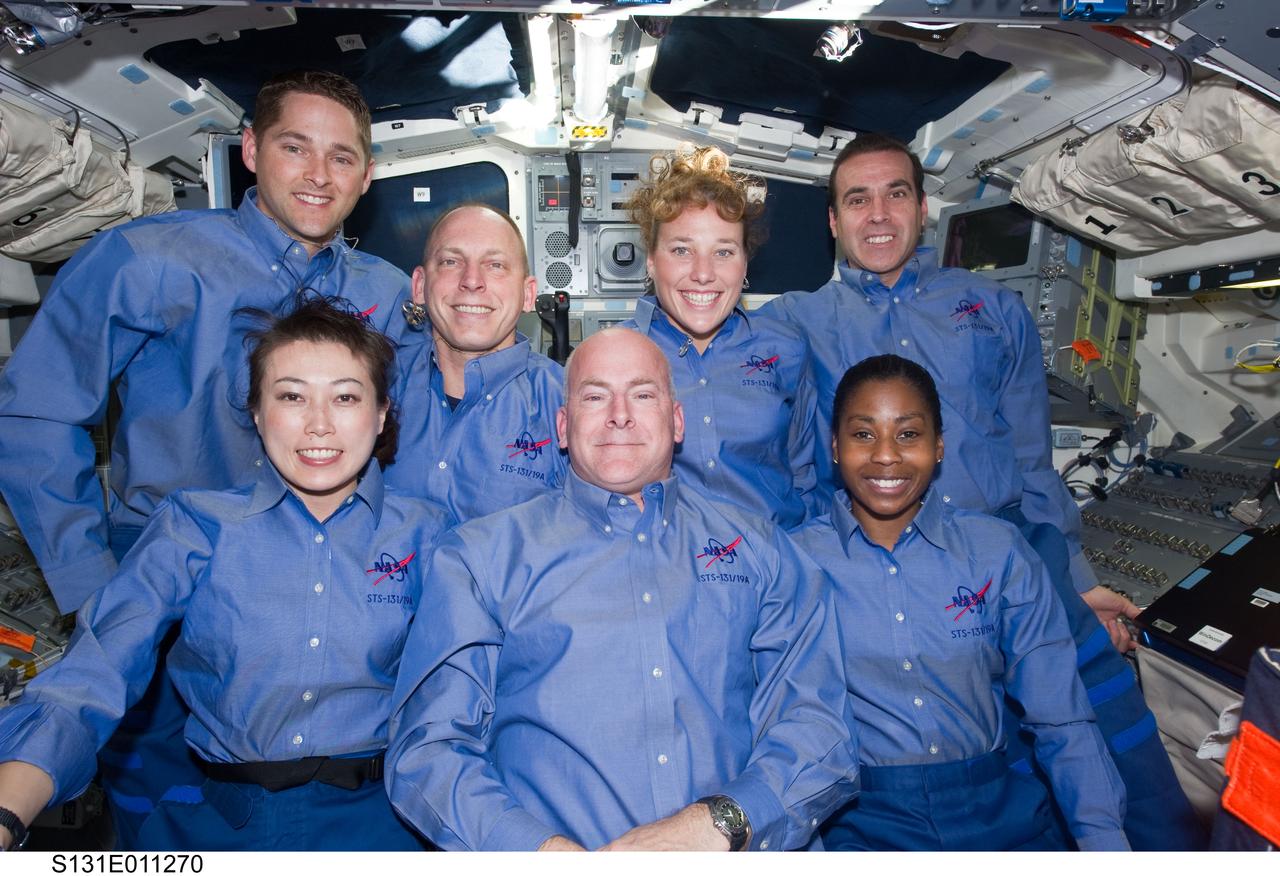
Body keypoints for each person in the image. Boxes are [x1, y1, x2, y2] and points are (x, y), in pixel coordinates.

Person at [0, 70, 410, 847]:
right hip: (159, 581)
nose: (319, 176)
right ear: (252, 150)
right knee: (161, 812)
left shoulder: (385, 291)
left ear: (367, 173)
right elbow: (38, 413)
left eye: (342, 157)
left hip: (327, 583)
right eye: (296, 148)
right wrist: (94, 585)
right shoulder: (148, 259)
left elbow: (402, 432)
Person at [761, 132, 1203, 850]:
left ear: (924, 208)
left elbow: (1032, 460)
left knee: (1111, 730)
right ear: (834, 222)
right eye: (857, 199)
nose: (878, 215)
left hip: (1010, 554)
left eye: (895, 194)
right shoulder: (793, 323)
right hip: (878, 560)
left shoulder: (992, 307)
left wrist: (1074, 578)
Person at [0, 297, 451, 851]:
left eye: (345, 397)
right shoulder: (195, 524)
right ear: (258, 413)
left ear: (381, 414)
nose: (318, 424)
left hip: (383, 823)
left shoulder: (427, 535)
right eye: (291, 396)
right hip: (224, 823)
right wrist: (9, 810)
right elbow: (100, 664)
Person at [385, 328, 856, 851]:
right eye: (594, 395)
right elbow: (429, 750)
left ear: (677, 422)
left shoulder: (763, 551)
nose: (619, 414)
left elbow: (819, 729)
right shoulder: (479, 559)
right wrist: (538, 853)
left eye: (643, 393)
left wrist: (716, 826)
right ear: (562, 427)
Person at [792, 354, 1128, 851]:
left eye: (908, 434)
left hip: (999, 811)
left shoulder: (999, 551)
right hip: (860, 821)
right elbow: (781, 731)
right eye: (864, 434)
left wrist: (1105, 841)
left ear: (939, 446)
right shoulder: (794, 562)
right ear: (835, 447)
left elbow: (1061, 716)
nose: (887, 456)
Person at [621, 145, 819, 529]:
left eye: (723, 252)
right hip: (665, 571)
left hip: (773, 564)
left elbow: (807, 477)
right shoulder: (617, 358)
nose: (703, 274)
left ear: (745, 262)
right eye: (682, 250)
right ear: (651, 260)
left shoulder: (785, 349)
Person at [386, 203, 566, 522]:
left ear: (528, 294)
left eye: (495, 265)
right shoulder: (376, 385)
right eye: (451, 261)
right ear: (419, 286)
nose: (471, 281)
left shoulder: (568, 402)